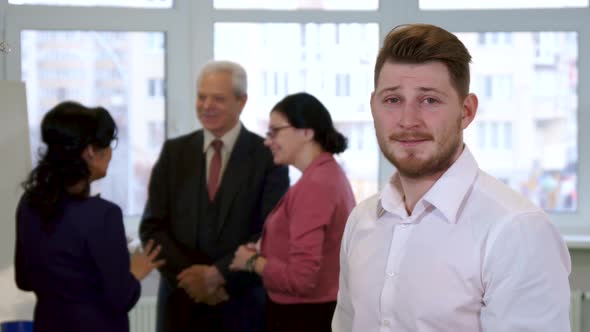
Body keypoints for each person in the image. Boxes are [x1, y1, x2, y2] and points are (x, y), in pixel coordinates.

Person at [332, 24, 571, 332]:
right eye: (392, 100)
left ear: (467, 111)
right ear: (373, 107)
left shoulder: (517, 231)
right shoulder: (362, 220)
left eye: (429, 100)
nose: (408, 120)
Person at [139, 60, 290, 332]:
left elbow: (271, 232)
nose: (206, 105)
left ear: (241, 101)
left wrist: (218, 275)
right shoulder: (174, 153)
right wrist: (193, 280)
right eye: (201, 96)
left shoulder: (268, 156)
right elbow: (152, 227)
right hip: (180, 305)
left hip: (241, 305)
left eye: (218, 98)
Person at [15, 101, 164, 332]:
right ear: (91, 152)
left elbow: (24, 280)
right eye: (108, 144)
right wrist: (134, 270)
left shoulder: (29, 204)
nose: (111, 152)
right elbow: (122, 298)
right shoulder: (104, 216)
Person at [229, 92, 356, 332]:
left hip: (303, 317)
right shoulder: (325, 175)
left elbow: (302, 278)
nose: (267, 141)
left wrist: (252, 262)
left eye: (275, 131)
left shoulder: (315, 186)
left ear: (307, 132)